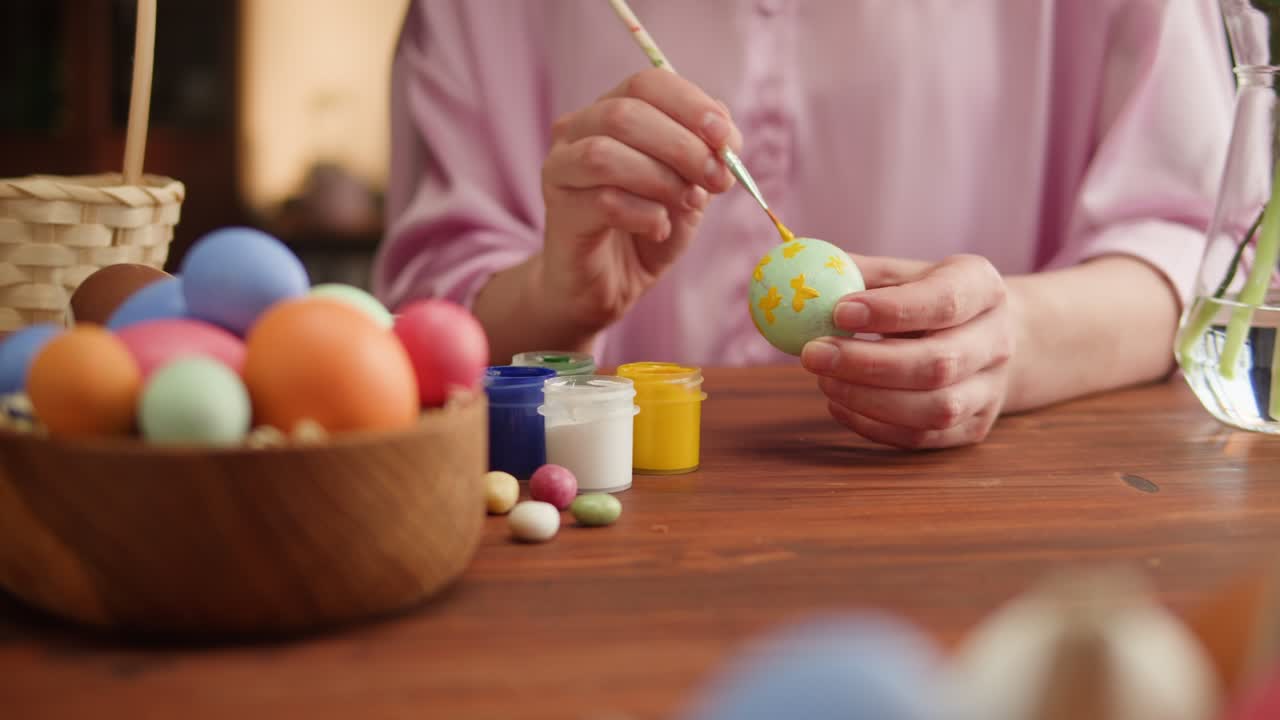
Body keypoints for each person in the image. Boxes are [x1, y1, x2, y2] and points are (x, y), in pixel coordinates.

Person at [374, 1, 1234, 449]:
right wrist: (555, 296)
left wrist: (1012, 339)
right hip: (631, 540)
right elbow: (425, 324)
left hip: (974, 527)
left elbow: (1198, 257)